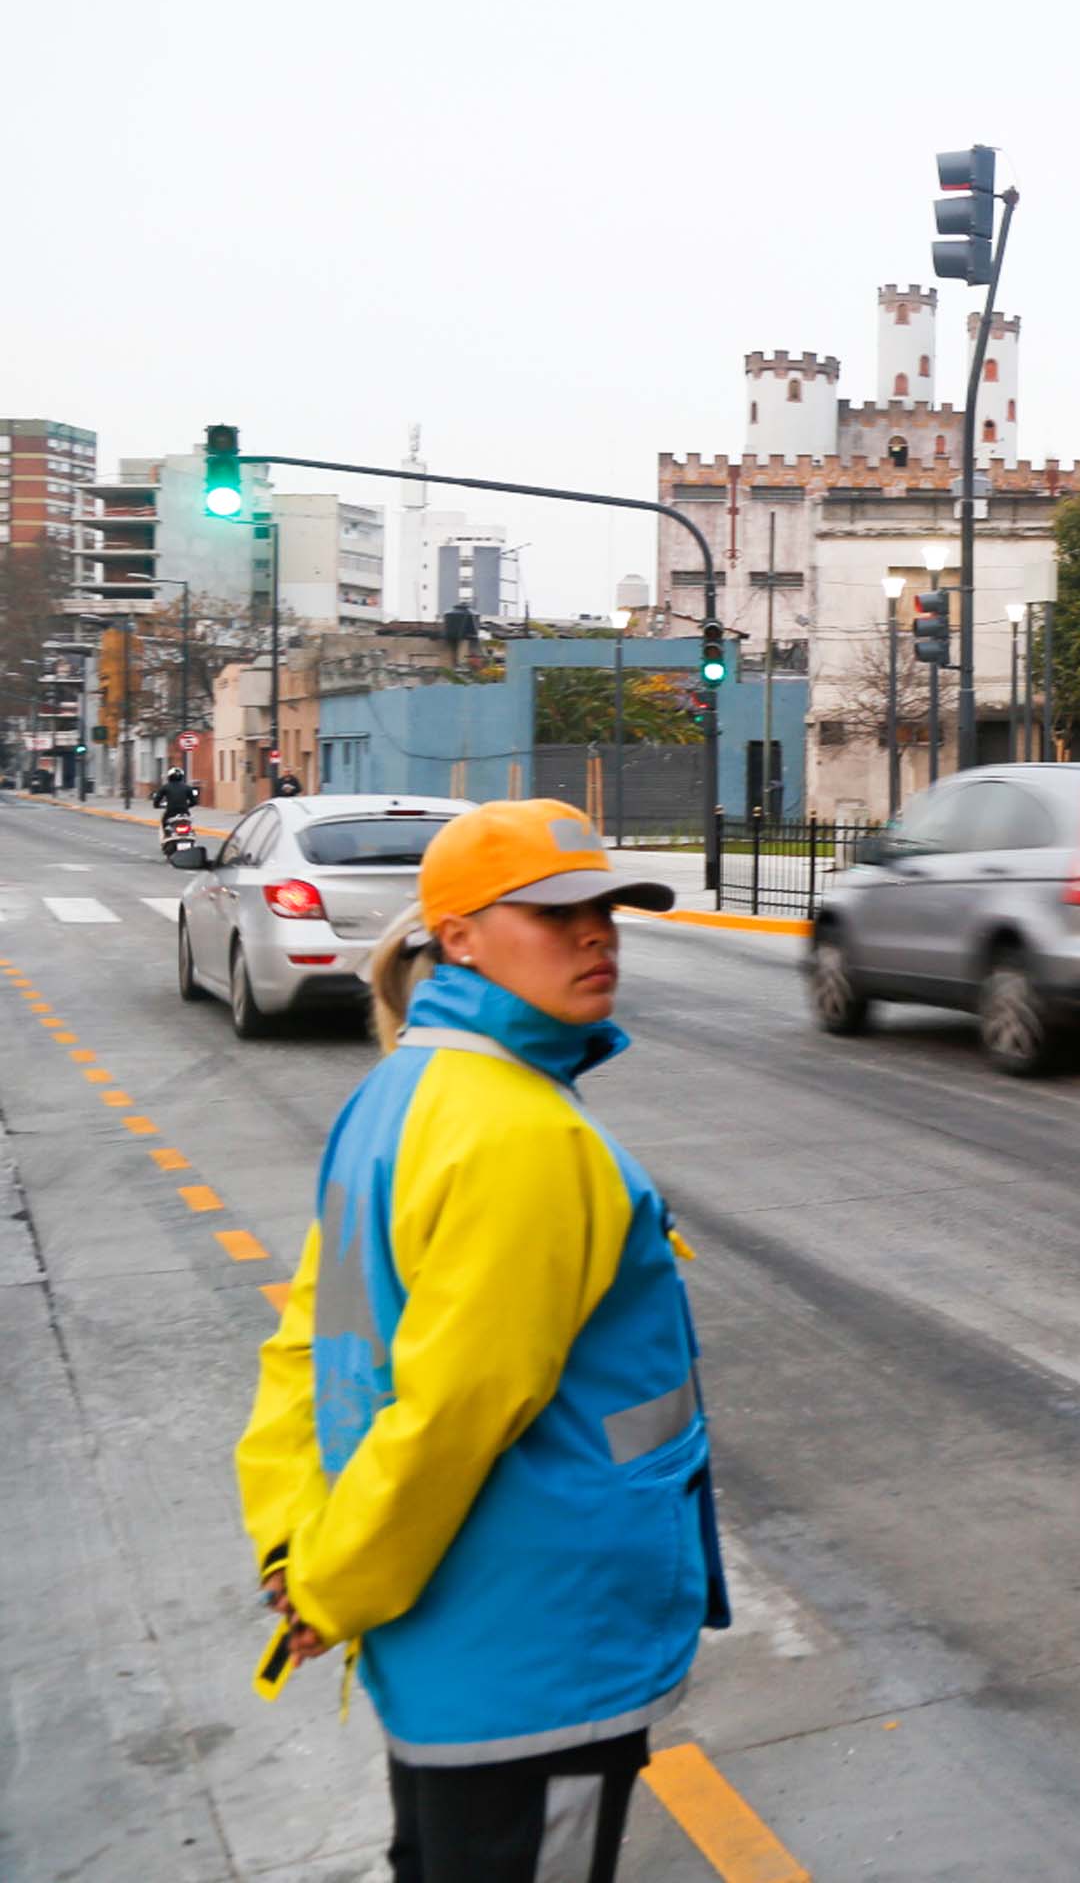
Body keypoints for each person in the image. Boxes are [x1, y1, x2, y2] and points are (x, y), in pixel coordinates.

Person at [237, 800, 726, 1881]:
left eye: (607, 908)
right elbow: (454, 1412)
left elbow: (306, 1346)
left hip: (453, 1639)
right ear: (456, 933)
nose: (596, 933)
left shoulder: (401, 1091)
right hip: (541, 1641)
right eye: (556, 914)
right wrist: (331, 1584)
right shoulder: (523, 1131)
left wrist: (295, 1544)